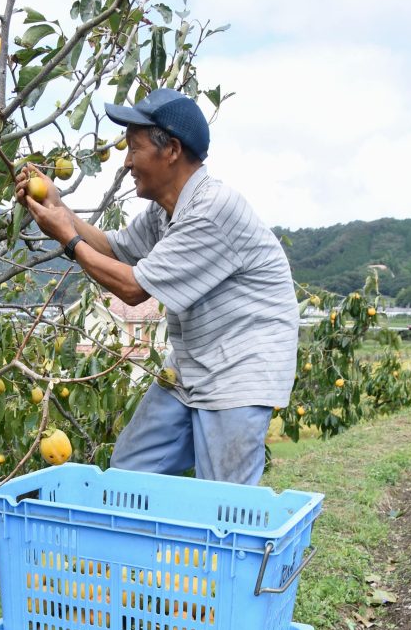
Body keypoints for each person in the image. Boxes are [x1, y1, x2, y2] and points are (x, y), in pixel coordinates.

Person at [15, 88, 299, 485]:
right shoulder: (164, 212)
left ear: (172, 150)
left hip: (239, 372)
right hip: (191, 364)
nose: (127, 162)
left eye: (134, 148)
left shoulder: (212, 211)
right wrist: (60, 210)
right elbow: (118, 251)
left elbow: (134, 289)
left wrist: (67, 238)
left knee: (222, 506)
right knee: (131, 472)